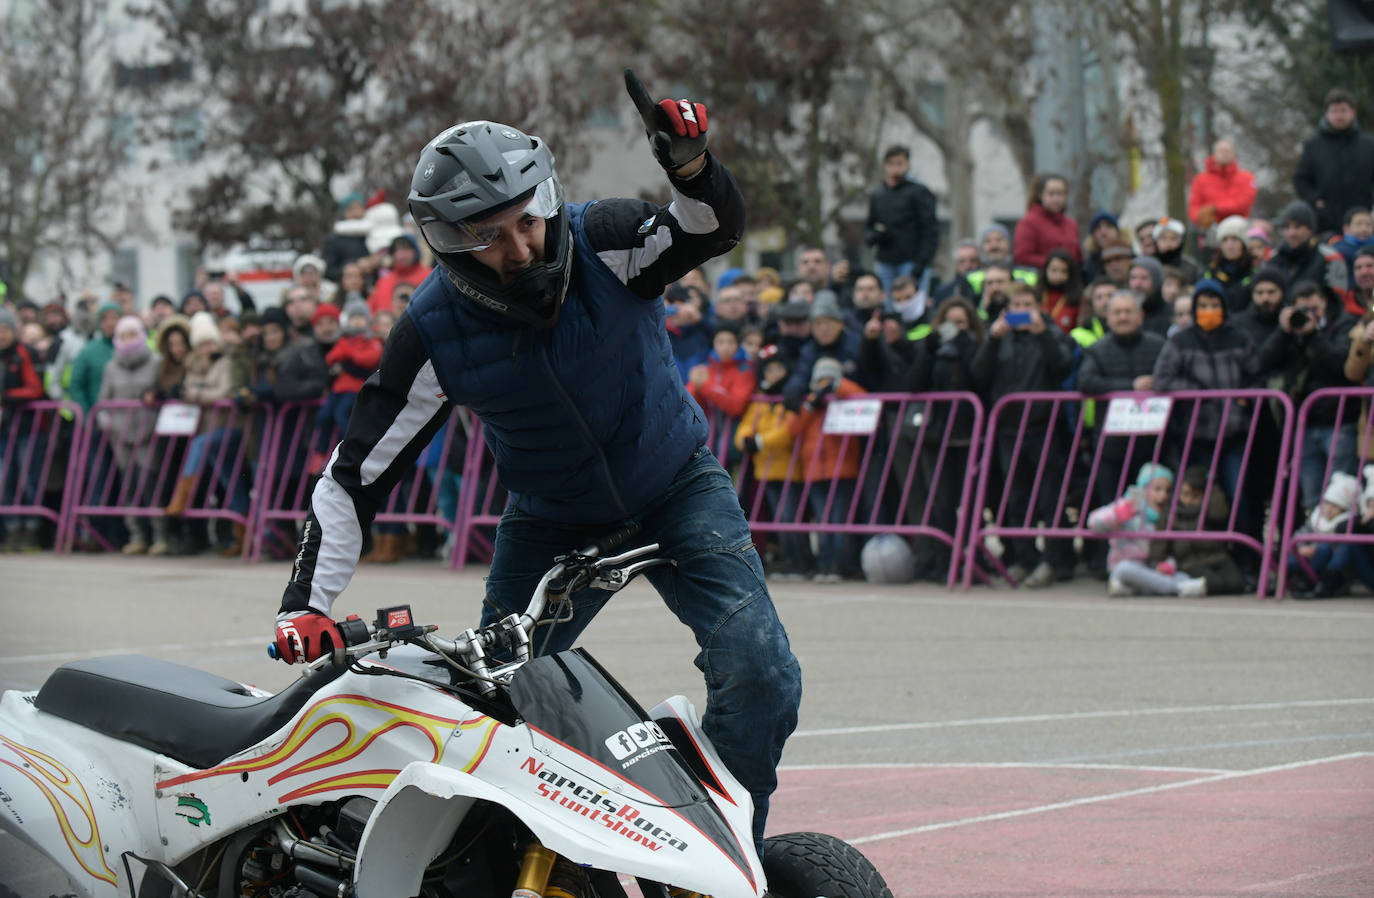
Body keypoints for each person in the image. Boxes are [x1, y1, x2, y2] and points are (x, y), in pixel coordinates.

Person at [272, 77, 801, 849]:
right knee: (496, 712)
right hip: (549, 518)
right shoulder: (432, 330)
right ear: (449, 241)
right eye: (490, 236)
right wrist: (305, 602)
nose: (522, 249)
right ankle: (519, 865)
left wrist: (691, 168)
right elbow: (360, 473)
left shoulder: (607, 239)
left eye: (528, 221)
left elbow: (707, 231)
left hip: (677, 485)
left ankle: (727, 849)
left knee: (762, 670)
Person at [972, 282, 1077, 587]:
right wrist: (993, 338)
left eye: (1027, 306)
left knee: (1050, 499)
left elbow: (1062, 367)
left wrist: (1042, 333)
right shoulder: (1000, 338)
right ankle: (1024, 558)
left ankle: (1054, 560)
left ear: (1038, 306)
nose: (1021, 312)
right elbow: (979, 373)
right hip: (1007, 430)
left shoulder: (1052, 334)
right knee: (1016, 499)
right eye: (1015, 307)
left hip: (1043, 428)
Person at [1259, 282, 1358, 511]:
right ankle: (1315, 543)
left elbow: (1343, 366)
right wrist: (1282, 332)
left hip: (1339, 421)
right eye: (1303, 310)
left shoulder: (1344, 325)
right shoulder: (1291, 332)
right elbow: (1263, 363)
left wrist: (1314, 335)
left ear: (1324, 302)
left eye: (1314, 308)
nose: (1309, 315)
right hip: (1304, 422)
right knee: (1312, 496)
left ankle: (1335, 545)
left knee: (1339, 496)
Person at [787, 357, 865, 583]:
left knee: (838, 519)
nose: (824, 384)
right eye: (821, 380)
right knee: (822, 519)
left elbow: (863, 398)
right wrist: (811, 404)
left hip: (841, 469)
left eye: (830, 380)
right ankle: (825, 563)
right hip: (814, 471)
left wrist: (838, 388)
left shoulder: (844, 399)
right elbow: (793, 428)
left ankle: (839, 564)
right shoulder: (810, 404)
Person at [734, 346, 808, 580]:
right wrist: (746, 440)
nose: (773, 373)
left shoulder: (789, 399)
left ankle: (801, 559)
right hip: (765, 469)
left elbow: (787, 433)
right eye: (769, 369)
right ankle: (790, 558)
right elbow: (744, 428)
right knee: (779, 517)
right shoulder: (761, 400)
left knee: (790, 517)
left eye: (778, 368)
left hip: (787, 468)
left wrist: (759, 441)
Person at [94, 316, 166, 555]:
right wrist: (108, 423)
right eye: (123, 335)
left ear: (142, 335)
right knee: (129, 485)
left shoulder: (156, 362)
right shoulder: (111, 366)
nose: (128, 340)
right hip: (120, 435)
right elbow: (103, 401)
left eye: (133, 334)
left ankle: (160, 535)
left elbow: (162, 396)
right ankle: (137, 535)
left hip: (149, 433)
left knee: (151, 483)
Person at [1087, 464, 1207, 598]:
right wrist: (1116, 515)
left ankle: (1131, 589)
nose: (1163, 495)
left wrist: (1169, 564)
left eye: (1168, 490)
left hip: (1152, 567)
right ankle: (1178, 587)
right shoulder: (1129, 506)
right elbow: (1093, 522)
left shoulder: (1169, 515)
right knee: (1124, 569)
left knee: (1181, 574)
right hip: (1127, 566)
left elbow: (1170, 549)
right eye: (1157, 489)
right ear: (1143, 489)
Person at [1147, 466, 1247, 596]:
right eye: (1185, 494)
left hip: (1217, 557)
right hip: (1190, 562)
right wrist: (1156, 562)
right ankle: (1191, 588)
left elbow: (1220, 512)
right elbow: (1159, 540)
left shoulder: (1208, 508)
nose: (1189, 500)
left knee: (1237, 584)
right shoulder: (1171, 510)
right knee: (1213, 583)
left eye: (1195, 496)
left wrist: (1212, 486)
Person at [1293, 87, 1374, 235]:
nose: (1339, 116)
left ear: (1353, 112)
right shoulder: (1313, 145)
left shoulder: (1368, 145)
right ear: (1327, 114)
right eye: (1335, 111)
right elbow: (1300, 179)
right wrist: (1315, 200)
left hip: (1361, 221)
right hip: (1324, 222)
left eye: (1343, 111)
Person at [864, 144, 938, 298]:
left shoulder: (919, 193)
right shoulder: (878, 195)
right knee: (888, 307)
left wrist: (921, 264)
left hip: (912, 262)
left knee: (912, 304)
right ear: (885, 165)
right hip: (886, 263)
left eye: (900, 163)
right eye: (891, 163)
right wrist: (876, 236)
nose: (895, 168)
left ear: (908, 164)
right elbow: (868, 228)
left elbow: (930, 231)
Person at [1014, 173, 1082, 270]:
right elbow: (1022, 257)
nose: (1056, 199)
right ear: (1040, 195)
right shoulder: (1028, 223)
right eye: (1051, 193)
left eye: (1060, 193)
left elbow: (1078, 257)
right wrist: (1056, 264)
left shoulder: (1071, 224)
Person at [1187, 139, 1257, 230]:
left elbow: (1244, 203)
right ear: (1214, 153)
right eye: (1221, 151)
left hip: (1239, 227)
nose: (1224, 154)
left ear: (1233, 154)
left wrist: (1215, 209)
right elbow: (1194, 207)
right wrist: (1200, 217)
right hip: (1211, 229)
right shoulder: (1200, 180)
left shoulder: (1247, 178)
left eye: (1227, 151)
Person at [366, 234, 432, 316]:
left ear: (415, 251)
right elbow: (370, 311)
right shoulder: (384, 281)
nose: (402, 254)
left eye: (406, 249)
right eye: (398, 250)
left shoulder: (429, 277)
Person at [1204, 215, 1256, 313]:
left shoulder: (1255, 273)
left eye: (1234, 239)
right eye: (1225, 240)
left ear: (1244, 244)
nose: (1229, 245)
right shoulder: (1211, 273)